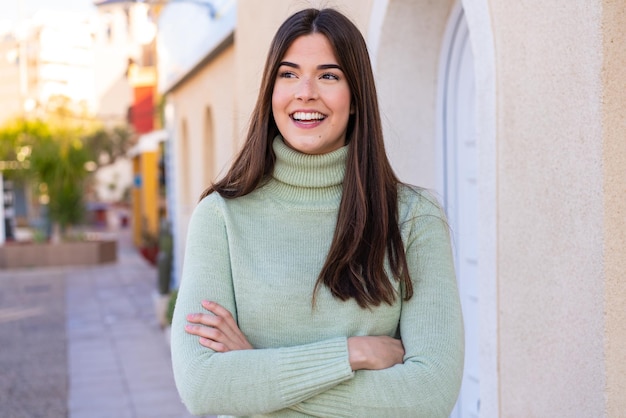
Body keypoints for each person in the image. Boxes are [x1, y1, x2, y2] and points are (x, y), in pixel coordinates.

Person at [171, 7, 464, 418]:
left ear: (357, 97)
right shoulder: (220, 217)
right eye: (288, 74)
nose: (304, 91)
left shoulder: (414, 218)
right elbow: (202, 386)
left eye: (329, 75)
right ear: (270, 92)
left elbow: (430, 393)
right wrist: (351, 354)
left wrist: (257, 374)